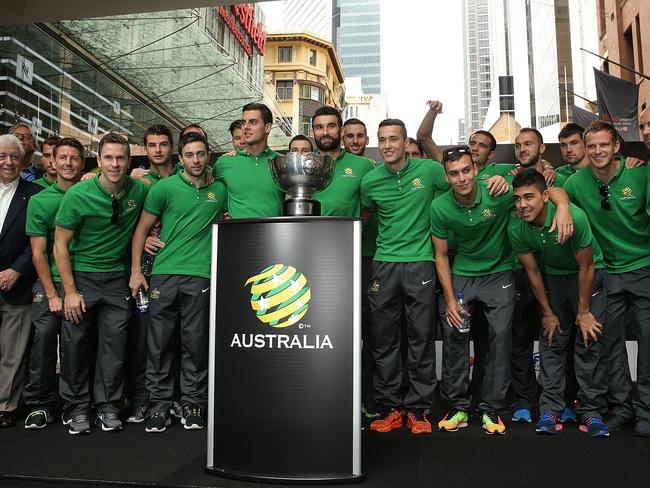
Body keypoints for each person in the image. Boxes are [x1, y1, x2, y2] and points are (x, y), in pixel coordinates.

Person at [430, 145, 572, 435]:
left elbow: (548, 191)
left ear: (476, 170)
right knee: (455, 334)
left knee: (500, 338)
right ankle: (457, 406)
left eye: (467, 170)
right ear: (446, 177)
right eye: (454, 173)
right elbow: (441, 256)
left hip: (499, 274)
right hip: (463, 274)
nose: (462, 178)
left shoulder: (498, 192)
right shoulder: (440, 207)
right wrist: (448, 298)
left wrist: (565, 207)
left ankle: (491, 409)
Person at [130, 132, 226, 433]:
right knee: (159, 344)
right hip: (164, 273)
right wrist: (136, 270)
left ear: (208, 155)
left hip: (201, 275)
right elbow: (141, 230)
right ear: (180, 158)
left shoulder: (221, 190)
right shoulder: (165, 189)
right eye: (189, 155)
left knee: (195, 343)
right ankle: (159, 405)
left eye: (200, 154)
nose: (195, 160)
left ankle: (192, 403)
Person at [54, 133, 149, 435]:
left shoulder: (138, 190)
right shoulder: (78, 195)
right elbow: (59, 246)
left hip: (116, 279)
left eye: (121, 157)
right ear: (98, 161)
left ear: (128, 160)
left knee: (114, 347)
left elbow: (166, 185)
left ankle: (108, 406)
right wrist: (69, 292)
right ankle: (77, 408)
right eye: (108, 157)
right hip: (81, 278)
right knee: (75, 346)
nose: (115, 163)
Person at [360, 118, 451, 435]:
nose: (387, 145)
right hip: (384, 265)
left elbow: (458, 184)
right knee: (384, 342)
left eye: (393, 139)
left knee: (421, 339)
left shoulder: (428, 172)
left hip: (421, 264)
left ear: (405, 142)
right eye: (382, 139)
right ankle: (389, 407)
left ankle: (419, 409)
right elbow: (365, 214)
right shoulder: (370, 182)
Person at [563, 120, 650, 437]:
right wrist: (561, 206)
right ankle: (622, 408)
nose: (597, 151)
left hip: (643, 267)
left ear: (616, 147)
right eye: (592, 146)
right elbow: (556, 191)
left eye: (604, 145)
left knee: (647, 343)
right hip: (607, 274)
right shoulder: (577, 181)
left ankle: (647, 411)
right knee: (610, 344)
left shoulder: (640, 173)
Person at [508, 168, 609, 437]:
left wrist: (583, 311)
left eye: (528, 197)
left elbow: (586, 267)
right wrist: (547, 312)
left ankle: (591, 411)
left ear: (544, 196)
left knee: (588, 339)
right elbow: (532, 272)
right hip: (553, 276)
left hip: (587, 276)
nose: (522, 205)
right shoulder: (516, 227)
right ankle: (550, 410)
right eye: (517, 199)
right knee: (552, 339)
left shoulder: (572, 216)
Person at [23, 137, 85, 429]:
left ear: (82, 163)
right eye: (63, 158)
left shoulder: (91, 195)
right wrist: (52, 294)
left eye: (74, 158)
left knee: (76, 345)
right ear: (53, 162)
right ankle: (39, 403)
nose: (68, 163)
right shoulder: (40, 200)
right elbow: (38, 253)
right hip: (49, 283)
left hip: (83, 280)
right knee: (45, 337)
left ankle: (74, 404)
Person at [0, 134, 42, 428]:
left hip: (17, 283)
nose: (8, 162)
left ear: (24, 160)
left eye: (15, 156)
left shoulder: (35, 194)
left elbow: (39, 242)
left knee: (13, 352)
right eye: (2, 155)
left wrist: (17, 269)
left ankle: (5, 405)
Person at [213, 103, 283, 218]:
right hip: (237, 234)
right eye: (244, 122)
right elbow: (209, 196)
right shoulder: (224, 163)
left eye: (253, 122)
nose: (245, 127)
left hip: (273, 234)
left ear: (267, 127)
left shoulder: (282, 162)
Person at [312, 106, 375, 217]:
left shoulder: (364, 165)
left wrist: (358, 229)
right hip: (309, 233)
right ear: (313, 132)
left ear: (341, 131)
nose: (325, 132)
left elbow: (371, 208)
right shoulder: (304, 165)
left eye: (331, 126)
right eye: (319, 127)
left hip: (348, 233)